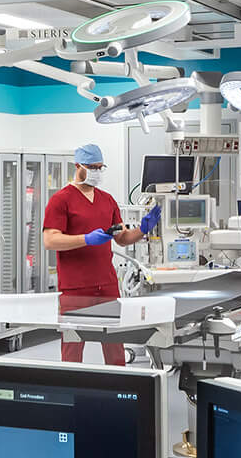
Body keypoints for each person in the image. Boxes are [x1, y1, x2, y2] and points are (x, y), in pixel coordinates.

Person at [41, 143, 157, 365]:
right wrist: (86, 239)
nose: (96, 172)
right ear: (78, 166)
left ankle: (119, 388)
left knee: (114, 345)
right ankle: (72, 389)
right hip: (76, 287)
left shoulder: (107, 200)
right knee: (73, 347)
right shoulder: (61, 199)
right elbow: (50, 240)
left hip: (106, 284)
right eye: (92, 167)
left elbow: (121, 238)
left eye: (100, 167)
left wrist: (143, 229)